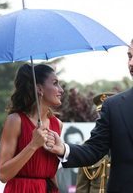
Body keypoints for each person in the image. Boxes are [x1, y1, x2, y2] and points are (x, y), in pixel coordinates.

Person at [46, 39, 133, 193]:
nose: (131, 63)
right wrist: (63, 149)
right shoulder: (114, 106)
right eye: (129, 56)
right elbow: (94, 149)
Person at [0, 63, 64, 193]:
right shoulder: (15, 120)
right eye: (55, 83)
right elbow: (3, 174)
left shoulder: (57, 124)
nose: (61, 90)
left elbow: (50, 172)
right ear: (39, 88)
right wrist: (33, 145)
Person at [76, 92, 115, 193]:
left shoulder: (128, 143)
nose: (105, 119)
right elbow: (82, 187)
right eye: (101, 115)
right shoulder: (88, 147)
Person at [57, 126, 84, 193]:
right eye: (71, 145)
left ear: (84, 143)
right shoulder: (59, 174)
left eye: (78, 143)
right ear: (65, 146)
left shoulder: (93, 171)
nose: (75, 148)